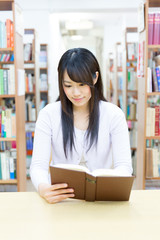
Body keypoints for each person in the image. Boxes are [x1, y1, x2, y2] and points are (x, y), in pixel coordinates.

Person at [30, 47, 132, 204]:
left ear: (95, 78)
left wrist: (114, 184)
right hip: (62, 201)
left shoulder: (114, 115)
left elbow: (124, 166)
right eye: (68, 85)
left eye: (82, 84)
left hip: (103, 201)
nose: (75, 93)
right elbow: (38, 166)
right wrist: (44, 189)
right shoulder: (48, 115)